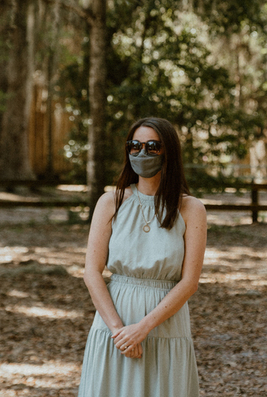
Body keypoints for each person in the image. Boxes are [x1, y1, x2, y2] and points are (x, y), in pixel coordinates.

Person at [78, 117, 207, 397]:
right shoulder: (110, 202)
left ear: (168, 152)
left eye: (152, 147)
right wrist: (119, 330)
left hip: (164, 325)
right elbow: (91, 271)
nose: (142, 153)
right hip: (114, 323)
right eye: (134, 146)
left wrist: (143, 327)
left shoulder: (191, 209)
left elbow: (189, 282)